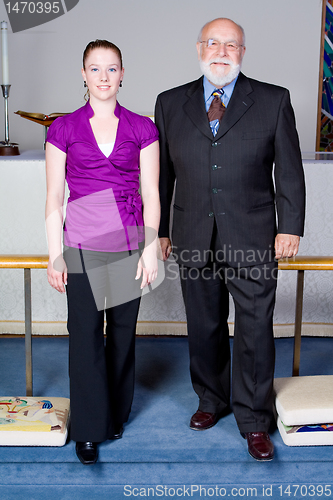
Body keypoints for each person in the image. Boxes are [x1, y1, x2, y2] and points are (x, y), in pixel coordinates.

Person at [155, 18, 305, 461]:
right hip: (192, 234)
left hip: (255, 237)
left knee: (255, 329)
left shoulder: (274, 101)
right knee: (204, 326)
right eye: (213, 43)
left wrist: (290, 225)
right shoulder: (169, 103)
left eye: (232, 45)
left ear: (243, 51)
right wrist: (160, 230)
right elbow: (161, 173)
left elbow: (290, 170)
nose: (221, 51)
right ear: (199, 48)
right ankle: (211, 400)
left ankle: (255, 420)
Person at [45, 40, 160, 464]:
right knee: (86, 337)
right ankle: (89, 429)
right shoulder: (64, 128)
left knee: (122, 336)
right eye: (96, 69)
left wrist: (151, 250)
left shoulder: (142, 127)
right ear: (83, 74)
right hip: (79, 245)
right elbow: (54, 196)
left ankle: (114, 414)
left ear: (123, 73)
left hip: (129, 244)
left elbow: (151, 192)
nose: (104, 77)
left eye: (112, 69)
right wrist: (54, 254)